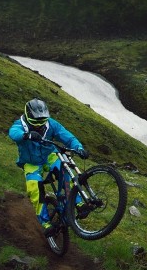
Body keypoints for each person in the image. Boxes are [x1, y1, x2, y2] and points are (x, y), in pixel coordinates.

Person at [9, 98, 90, 235]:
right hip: (31, 162)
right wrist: (27, 135)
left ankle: (79, 203)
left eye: (42, 122)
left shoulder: (52, 124)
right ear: (28, 116)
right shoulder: (20, 125)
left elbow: (67, 137)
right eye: (36, 122)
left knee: (65, 170)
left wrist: (79, 147)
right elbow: (13, 133)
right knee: (35, 188)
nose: (40, 126)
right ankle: (46, 223)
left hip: (50, 155)